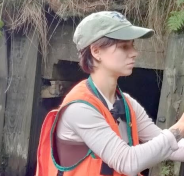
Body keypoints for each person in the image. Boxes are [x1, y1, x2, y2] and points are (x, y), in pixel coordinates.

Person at [36, 11, 184, 176]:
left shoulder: (126, 103)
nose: (134, 52)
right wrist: (179, 128)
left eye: (132, 45)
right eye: (124, 46)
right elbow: (127, 162)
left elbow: (173, 148)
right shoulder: (79, 108)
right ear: (96, 51)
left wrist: (177, 134)